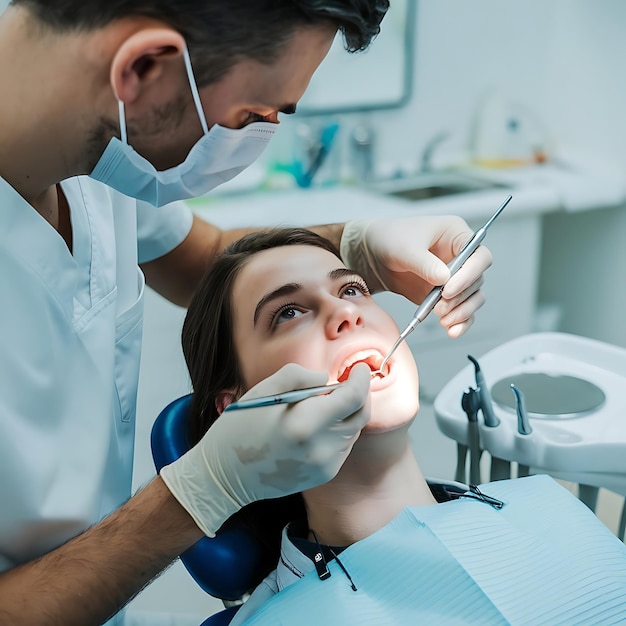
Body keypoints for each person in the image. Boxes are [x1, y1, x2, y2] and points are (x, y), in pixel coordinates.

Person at [0, 2, 493, 623]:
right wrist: (205, 489)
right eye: (252, 117)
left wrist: (358, 247)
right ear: (144, 69)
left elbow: (205, 259)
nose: (346, 314)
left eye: (351, 293)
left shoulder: (98, 146)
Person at [181, 228, 626, 625]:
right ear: (238, 406)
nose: (345, 313)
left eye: (352, 289)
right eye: (289, 313)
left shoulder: (546, 503)